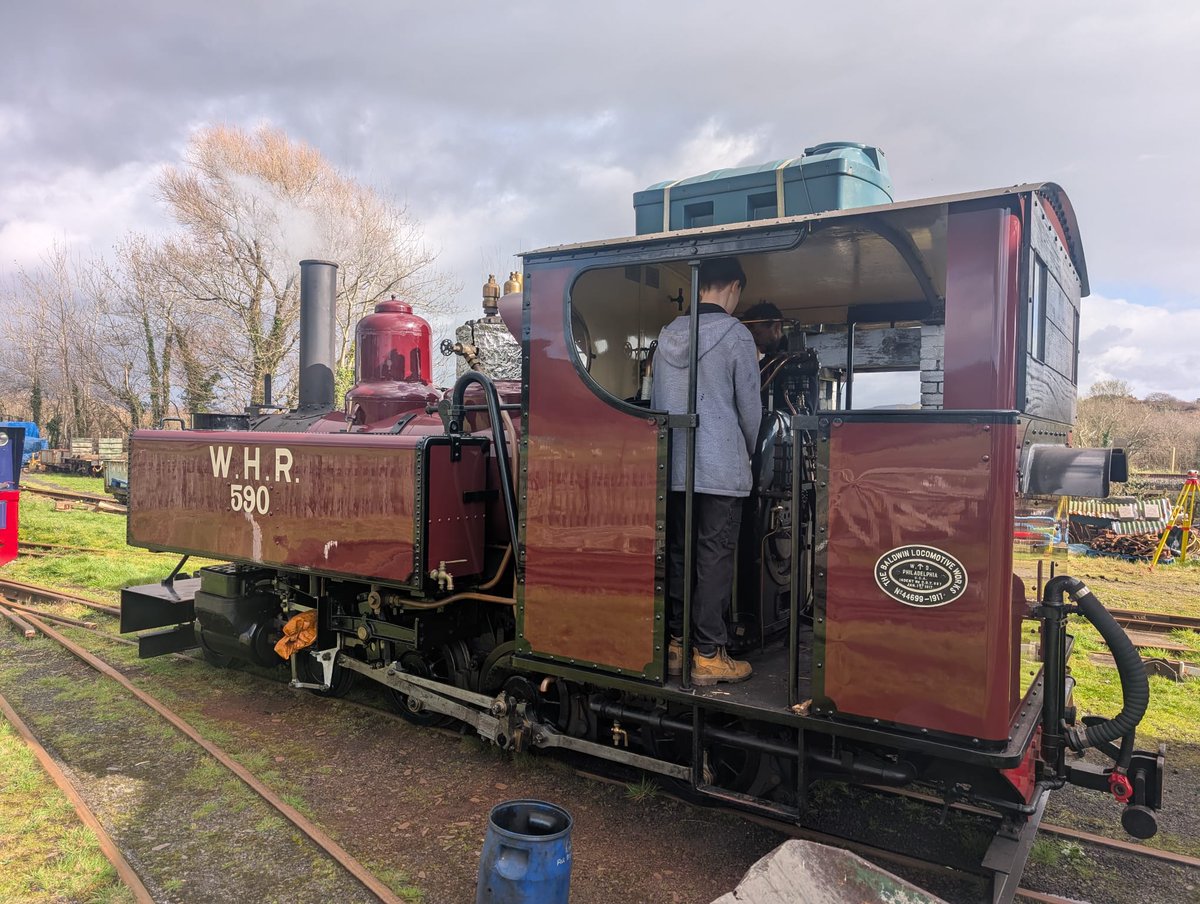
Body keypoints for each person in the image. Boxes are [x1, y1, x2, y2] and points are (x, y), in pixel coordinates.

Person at [651, 257, 760, 686]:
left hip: (675, 467)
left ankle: (677, 646)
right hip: (720, 469)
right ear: (733, 287)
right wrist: (749, 454)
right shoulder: (736, 335)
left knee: (680, 553)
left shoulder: (666, 338)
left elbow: (659, 404)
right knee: (714, 559)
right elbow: (751, 411)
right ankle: (711, 654)